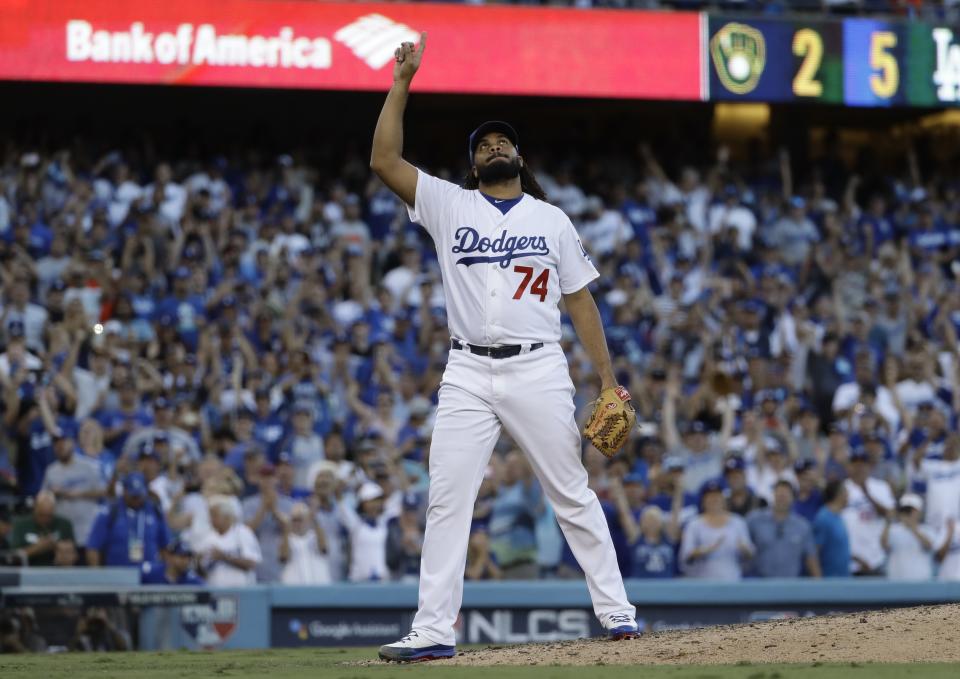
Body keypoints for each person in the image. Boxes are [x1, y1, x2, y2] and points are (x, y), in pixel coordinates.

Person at [369, 34, 637, 661]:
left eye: (502, 141)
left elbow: (579, 301)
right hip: (466, 368)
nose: (494, 146)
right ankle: (434, 629)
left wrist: (606, 379)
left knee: (571, 490)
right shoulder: (447, 203)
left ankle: (618, 613)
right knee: (447, 497)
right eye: (483, 144)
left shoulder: (551, 219)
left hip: (538, 366)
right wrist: (402, 81)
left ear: (518, 155)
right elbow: (384, 159)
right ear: (473, 165)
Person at [86, 472, 170, 568]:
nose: (136, 499)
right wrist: (97, 575)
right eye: (133, 496)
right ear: (124, 491)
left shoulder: (155, 511)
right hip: (116, 574)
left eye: (139, 495)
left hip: (149, 574)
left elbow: (165, 546)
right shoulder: (111, 511)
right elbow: (93, 546)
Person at [679, 479, 754, 580]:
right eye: (710, 496)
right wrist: (705, 550)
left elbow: (750, 553)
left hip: (733, 581)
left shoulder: (738, 522)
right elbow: (686, 555)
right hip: (703, 584)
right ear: (703, 500)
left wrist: (744, 549)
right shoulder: (694, 524)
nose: (714, 499)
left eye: (717, 496)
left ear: (724, 499)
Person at [41, 430, 105, 545]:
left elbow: (104, 492)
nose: (60, 446)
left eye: (63, 442)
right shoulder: (51, 471)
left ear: (73, 443)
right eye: (56, 443)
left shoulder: (89, 466)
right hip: (63, 530)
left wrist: (78, 494)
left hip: (87, 526)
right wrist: (52, 494)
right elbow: (43, 499)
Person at [747, 480, 821, 578]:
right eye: (779, 494)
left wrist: (819, 583)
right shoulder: (754, 520)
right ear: (773, 495)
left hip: (790, 586)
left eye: (785, 495)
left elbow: (811, 558)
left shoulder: (802, 526)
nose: (781, 498)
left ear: (793, 498)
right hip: (761, 584)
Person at [843, 448, 895, 575]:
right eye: (855, 463)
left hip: (876, 558)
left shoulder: (881, 487)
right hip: (849, 560)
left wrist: (868, 494)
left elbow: (890, 513)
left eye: (862, 463)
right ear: (849, 466)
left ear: (869, 466)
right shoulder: (842, 488)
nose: (859, 467)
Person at [242, 463, 294, 583]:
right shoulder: (248, 504)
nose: (268, 481)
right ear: (259, 480)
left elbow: (290, 530)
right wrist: (263, 508)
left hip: (282, 559)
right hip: (258, 558)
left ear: (276, 479)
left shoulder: (288, 503)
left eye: (271, 477)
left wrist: (274, 510)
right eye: (264, 477)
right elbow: (246, 532)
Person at [196, 496, 262, 586]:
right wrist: (198, 562)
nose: (210, 520)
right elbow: (201, 571)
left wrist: (224, 556)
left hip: (242, 592)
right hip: (216, 591)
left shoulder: (242, 533)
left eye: (214, 516)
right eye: (210, 516)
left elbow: (250, 564)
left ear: (226, 517)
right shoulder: (207, 538)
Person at [9, 491, 75, 566]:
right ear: (34, 509)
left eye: (49, 516)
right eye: (41, 515)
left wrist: (62, 550)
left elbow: (74, 553)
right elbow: (12, 557)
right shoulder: (21, 524)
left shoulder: (65, 524)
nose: (45, 519)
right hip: (29, 571)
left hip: (58, 570)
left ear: (54, 511)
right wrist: (37, 548)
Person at [881, 493, 935, 581]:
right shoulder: (892, 529)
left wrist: (912, 528)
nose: (907, 514)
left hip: (921, 582)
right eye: (904, 511)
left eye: (910, 511)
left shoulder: (927, 529)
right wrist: (888, 521)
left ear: (919, 512)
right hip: (896, 581)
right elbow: (884, 545)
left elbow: (929, 546)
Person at [279, 501, 331, 585]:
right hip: (294, 586)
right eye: (294, 520)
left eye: (300, 519)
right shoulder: (287, 538)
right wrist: (286, 530)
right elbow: (283, 557)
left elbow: (324, 549)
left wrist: (314, 519)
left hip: (319, 584)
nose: (297, 523)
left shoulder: (315, 535)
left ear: (307, 519)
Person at [812, 479, 851, 577]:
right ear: (839, 494)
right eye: (846, 492)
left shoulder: (839, 517)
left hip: (844, 578)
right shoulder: (823, 518)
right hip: (830, 580)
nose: (849, 496)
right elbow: (815, 551)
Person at [141, 539, 205, 585]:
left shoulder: (192, 579)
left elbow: (208, 593)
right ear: (170, 557)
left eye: (189, 557)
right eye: (182, 556)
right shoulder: (151, 572)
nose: (186, 561)